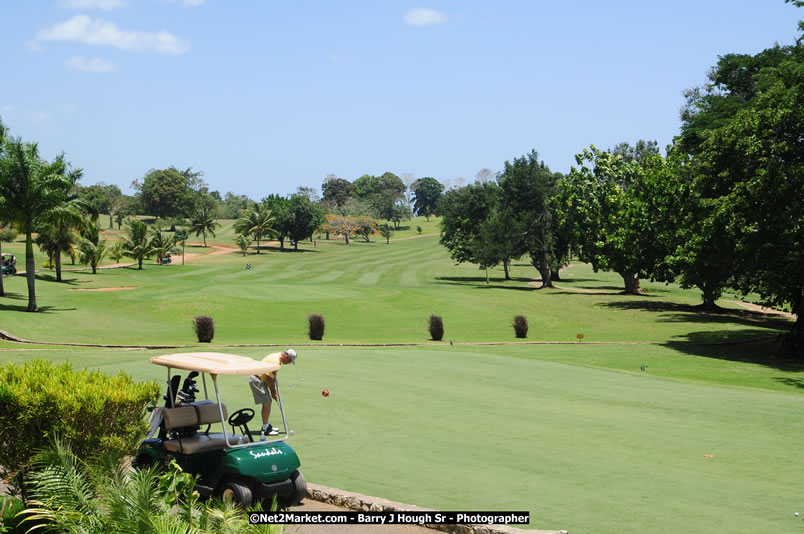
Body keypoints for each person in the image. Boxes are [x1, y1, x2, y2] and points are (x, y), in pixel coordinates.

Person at [249, 348, 297, 436]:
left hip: (260, 378)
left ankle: (266, 425)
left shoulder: (276, 357)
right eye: (290, 360)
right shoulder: (275, 361)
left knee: (268, 402)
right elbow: (268, 378)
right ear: (286, 356)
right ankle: (265, 428)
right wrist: (273, 392)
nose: (289, 363)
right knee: (267, 402)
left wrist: (273, 388)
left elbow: (271, 377)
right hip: (257, 379)